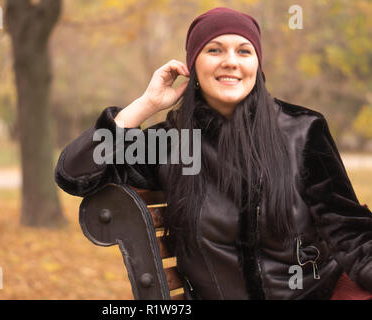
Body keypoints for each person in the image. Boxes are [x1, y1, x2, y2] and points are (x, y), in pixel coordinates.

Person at [55, 7, 372, 299]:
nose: (231, 61)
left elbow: (350, 231)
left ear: (256, 64)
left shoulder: (301, 130)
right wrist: (145, 106)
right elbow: (74, 176)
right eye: (214, 50)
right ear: (192, 66)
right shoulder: (176, 143)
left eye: (244, 51)